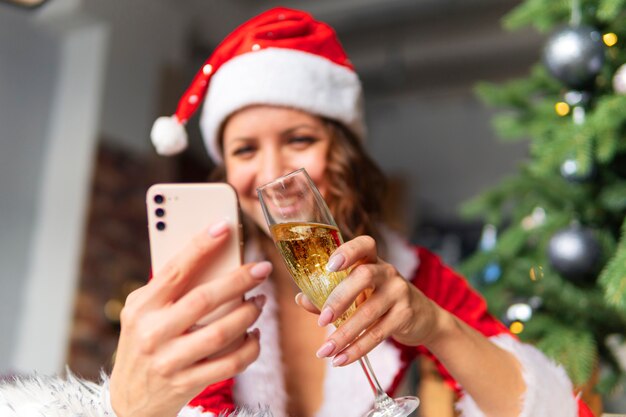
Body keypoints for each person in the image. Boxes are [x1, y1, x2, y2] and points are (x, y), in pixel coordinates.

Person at [0, 6, 593, 417]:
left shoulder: (414, 276)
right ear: (226, 172)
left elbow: (556, 409)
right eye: (244, 150)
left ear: (346, 149)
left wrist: (436, 324)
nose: (275, 172)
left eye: (300, 138)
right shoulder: (196, 284)